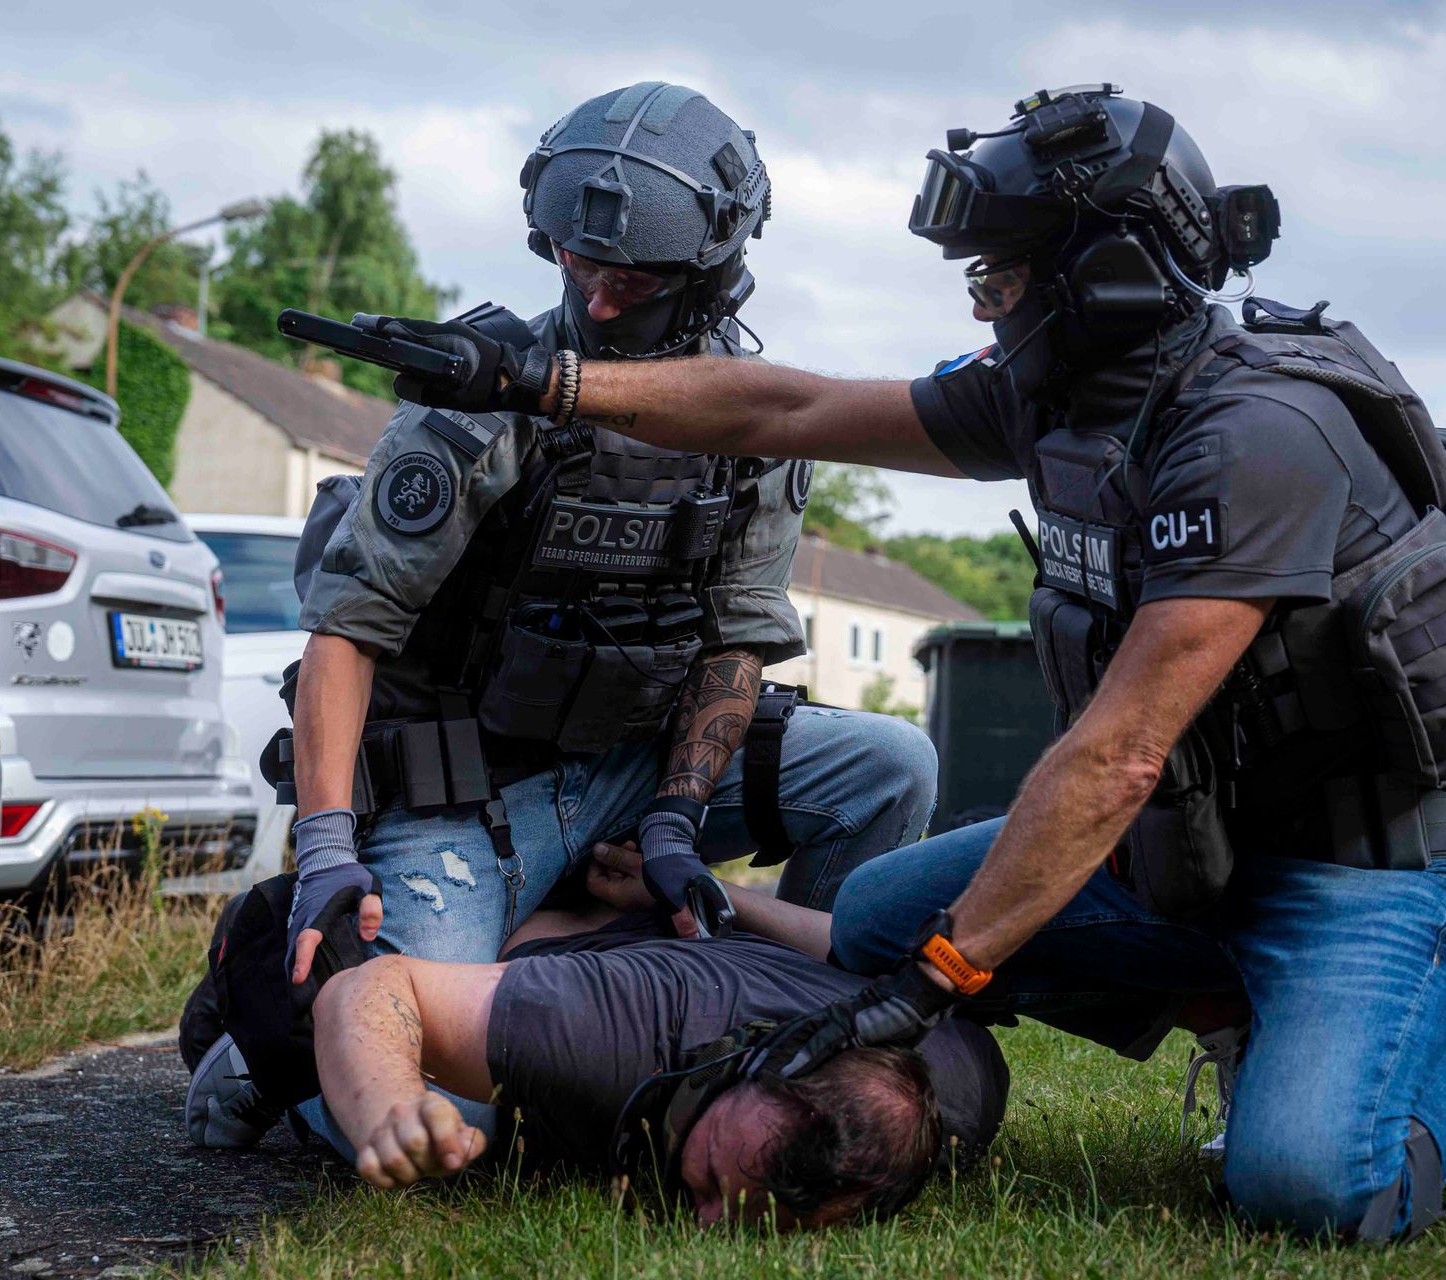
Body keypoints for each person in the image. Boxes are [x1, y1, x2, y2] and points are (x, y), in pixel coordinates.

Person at [359, 84, 1446, 1242]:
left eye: (1000, 276)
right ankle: (1251, 1009)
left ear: (1109, 276)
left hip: (1361, 864)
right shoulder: (1064, 394)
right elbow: (785, 408)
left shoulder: (1256, 435)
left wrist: (936, 986)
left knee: (1306, 1184)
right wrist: (549, 380)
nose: (982, 301)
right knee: (874, 915)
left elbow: (1118, 755)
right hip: (1204, 841)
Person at [185, 82, 937, 1148]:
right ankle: (263, 1018)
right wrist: (323, 851)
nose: (602, 301)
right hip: (468, 794)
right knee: (456, 1111)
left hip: (636, 766)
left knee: (889, 766)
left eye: (632, 277)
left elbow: (735, 642)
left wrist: (677, 815)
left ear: (715, 269)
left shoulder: (755, 423)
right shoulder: (475, 406)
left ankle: (781, 1035)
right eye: (577, 266)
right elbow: (345, 634)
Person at [311, 850, 1008, 1229]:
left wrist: (721, 898)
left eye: (739, 1219)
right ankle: (243, 1035)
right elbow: (372, 987)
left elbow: (848, 949)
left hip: (688, 929)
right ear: (732, 1064)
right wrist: (390, 1106)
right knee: (437, 1115)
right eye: (703, 1177)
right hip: (558, 913)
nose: (697, 1226)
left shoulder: (965, 1089)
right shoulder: (610, 1033)